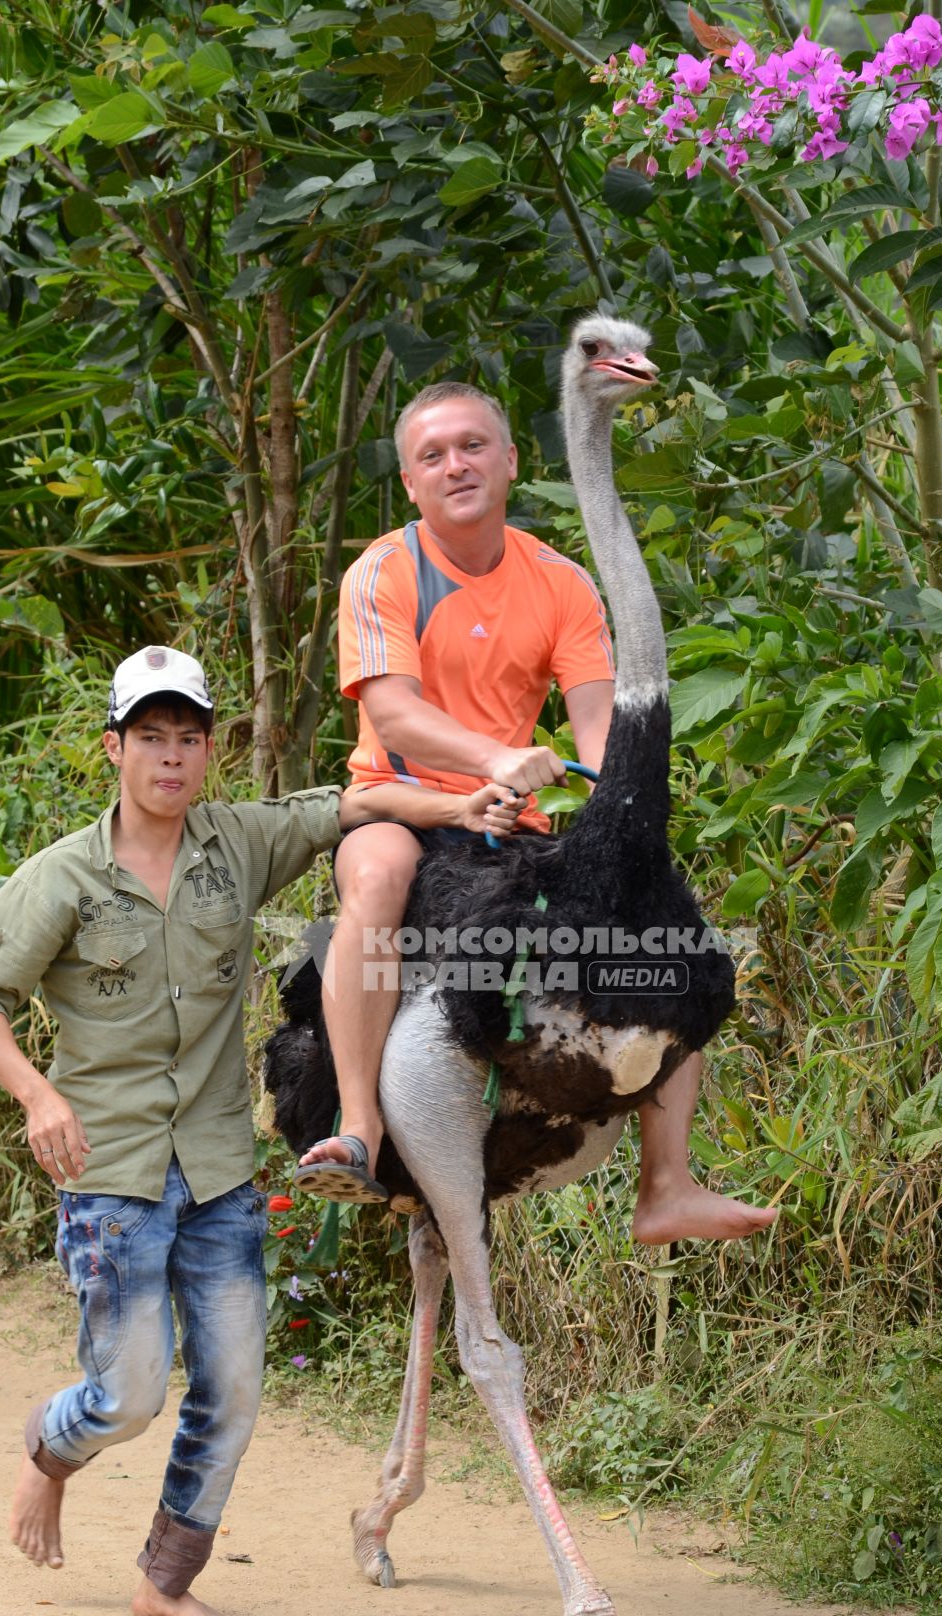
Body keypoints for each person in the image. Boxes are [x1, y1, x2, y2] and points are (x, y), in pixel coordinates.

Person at [0, 645, 516, 1616]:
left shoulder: (233, 846)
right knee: (127, 1397)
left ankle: (162, 1580)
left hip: (215, 1167)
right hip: (112, 1173)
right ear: (115, 749)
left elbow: (345, 807)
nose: (170, 758)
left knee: (234, 1386)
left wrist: (461, 806)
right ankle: (51, 1447)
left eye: (188, 739)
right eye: (151, 739)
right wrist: (40, 1097)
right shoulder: (64, 880)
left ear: (207, 752)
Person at [294, 383, 776, 1244]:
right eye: (433, 455)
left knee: (666, 916)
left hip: (511, 816)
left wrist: (618, 834)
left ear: (511, 460)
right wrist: (490, 761)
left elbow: (596, 732)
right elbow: (393, 714)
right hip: (406, 802)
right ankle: (360, 1123)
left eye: (473, 446)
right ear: (410, 483)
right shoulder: (383, 571)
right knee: (378, 872)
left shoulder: (558, 580)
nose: (456, 465)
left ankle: (666, 1181)